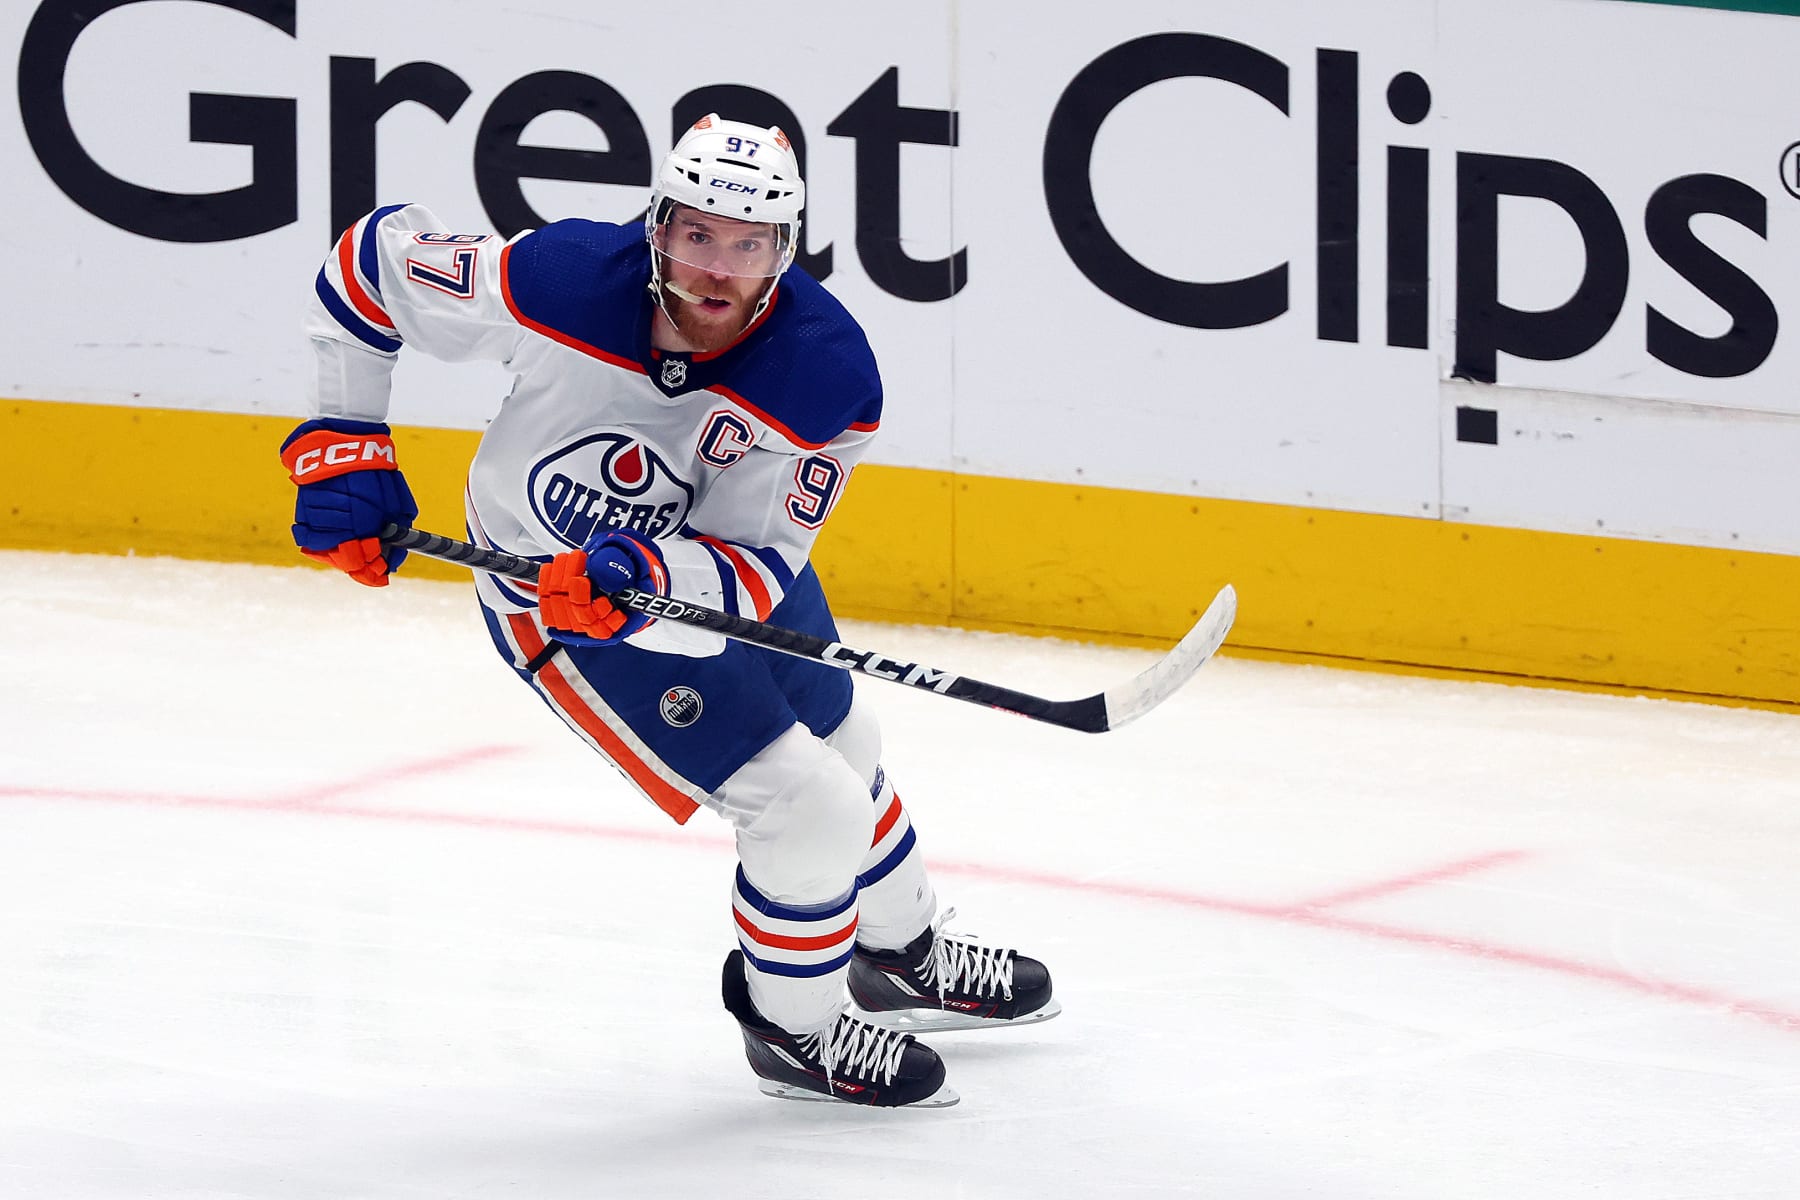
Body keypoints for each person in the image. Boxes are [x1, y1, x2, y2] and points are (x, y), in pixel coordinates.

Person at [280, 115, 1058, 1108]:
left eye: (748, 242)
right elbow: (367, 269)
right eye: (696, 233)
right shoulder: (556, 281)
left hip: (716, 567)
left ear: (788, 246)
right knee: (804, 800)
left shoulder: (824, 376)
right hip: (549, 597)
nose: (718, 268)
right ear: (657, 227)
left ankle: (899, 948)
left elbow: (759, 561)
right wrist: (342, 441)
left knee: (844, 738)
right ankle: (796, 1027)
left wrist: (651, 580)